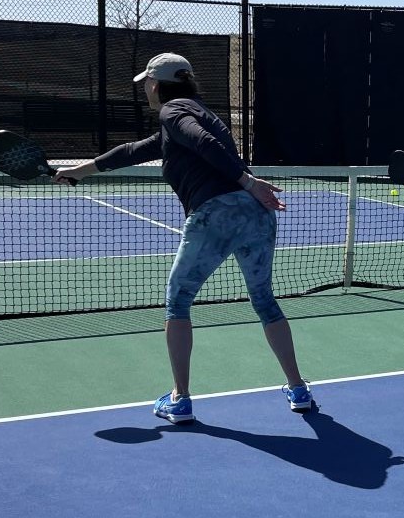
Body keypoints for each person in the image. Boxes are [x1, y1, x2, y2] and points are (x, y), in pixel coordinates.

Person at [53, 52, 313, 421]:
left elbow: (203, 143)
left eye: (147, 83)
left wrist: (248, 180)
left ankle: (180, 398)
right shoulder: (195, 114)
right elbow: (133, 151)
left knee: (178, 302)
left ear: (156, 85)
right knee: (265, 300)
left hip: (217, 214)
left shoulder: (173, 112)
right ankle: (298, 388)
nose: (146, 89)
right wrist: (81, 170)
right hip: (256, 216)